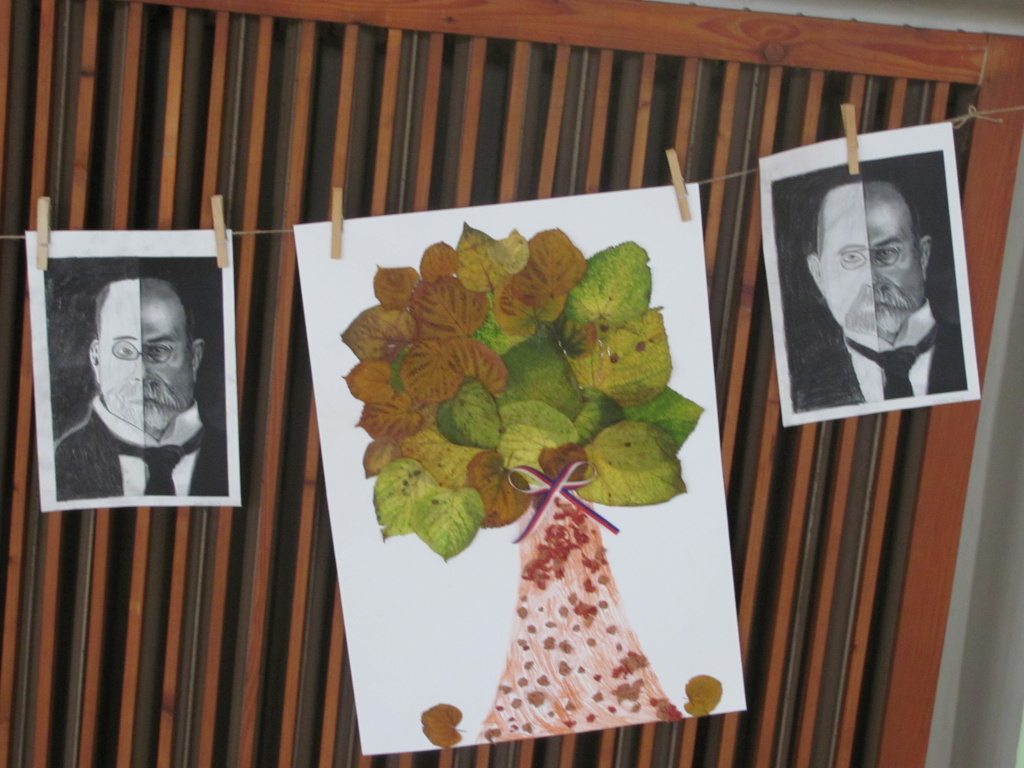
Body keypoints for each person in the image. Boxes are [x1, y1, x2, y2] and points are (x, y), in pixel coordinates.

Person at [795, 179, 967, 411]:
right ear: (818, 274)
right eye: (851, 257)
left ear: (923, 255)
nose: (872, 279)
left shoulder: (972, 351)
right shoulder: (803, 389)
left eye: (886, 253)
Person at [54, 277, 228, 500]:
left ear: (194, 357)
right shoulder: (63, 463)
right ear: (96, 360)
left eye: (159, 350)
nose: (142, 374)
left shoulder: (231, 453)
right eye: (124, 351)